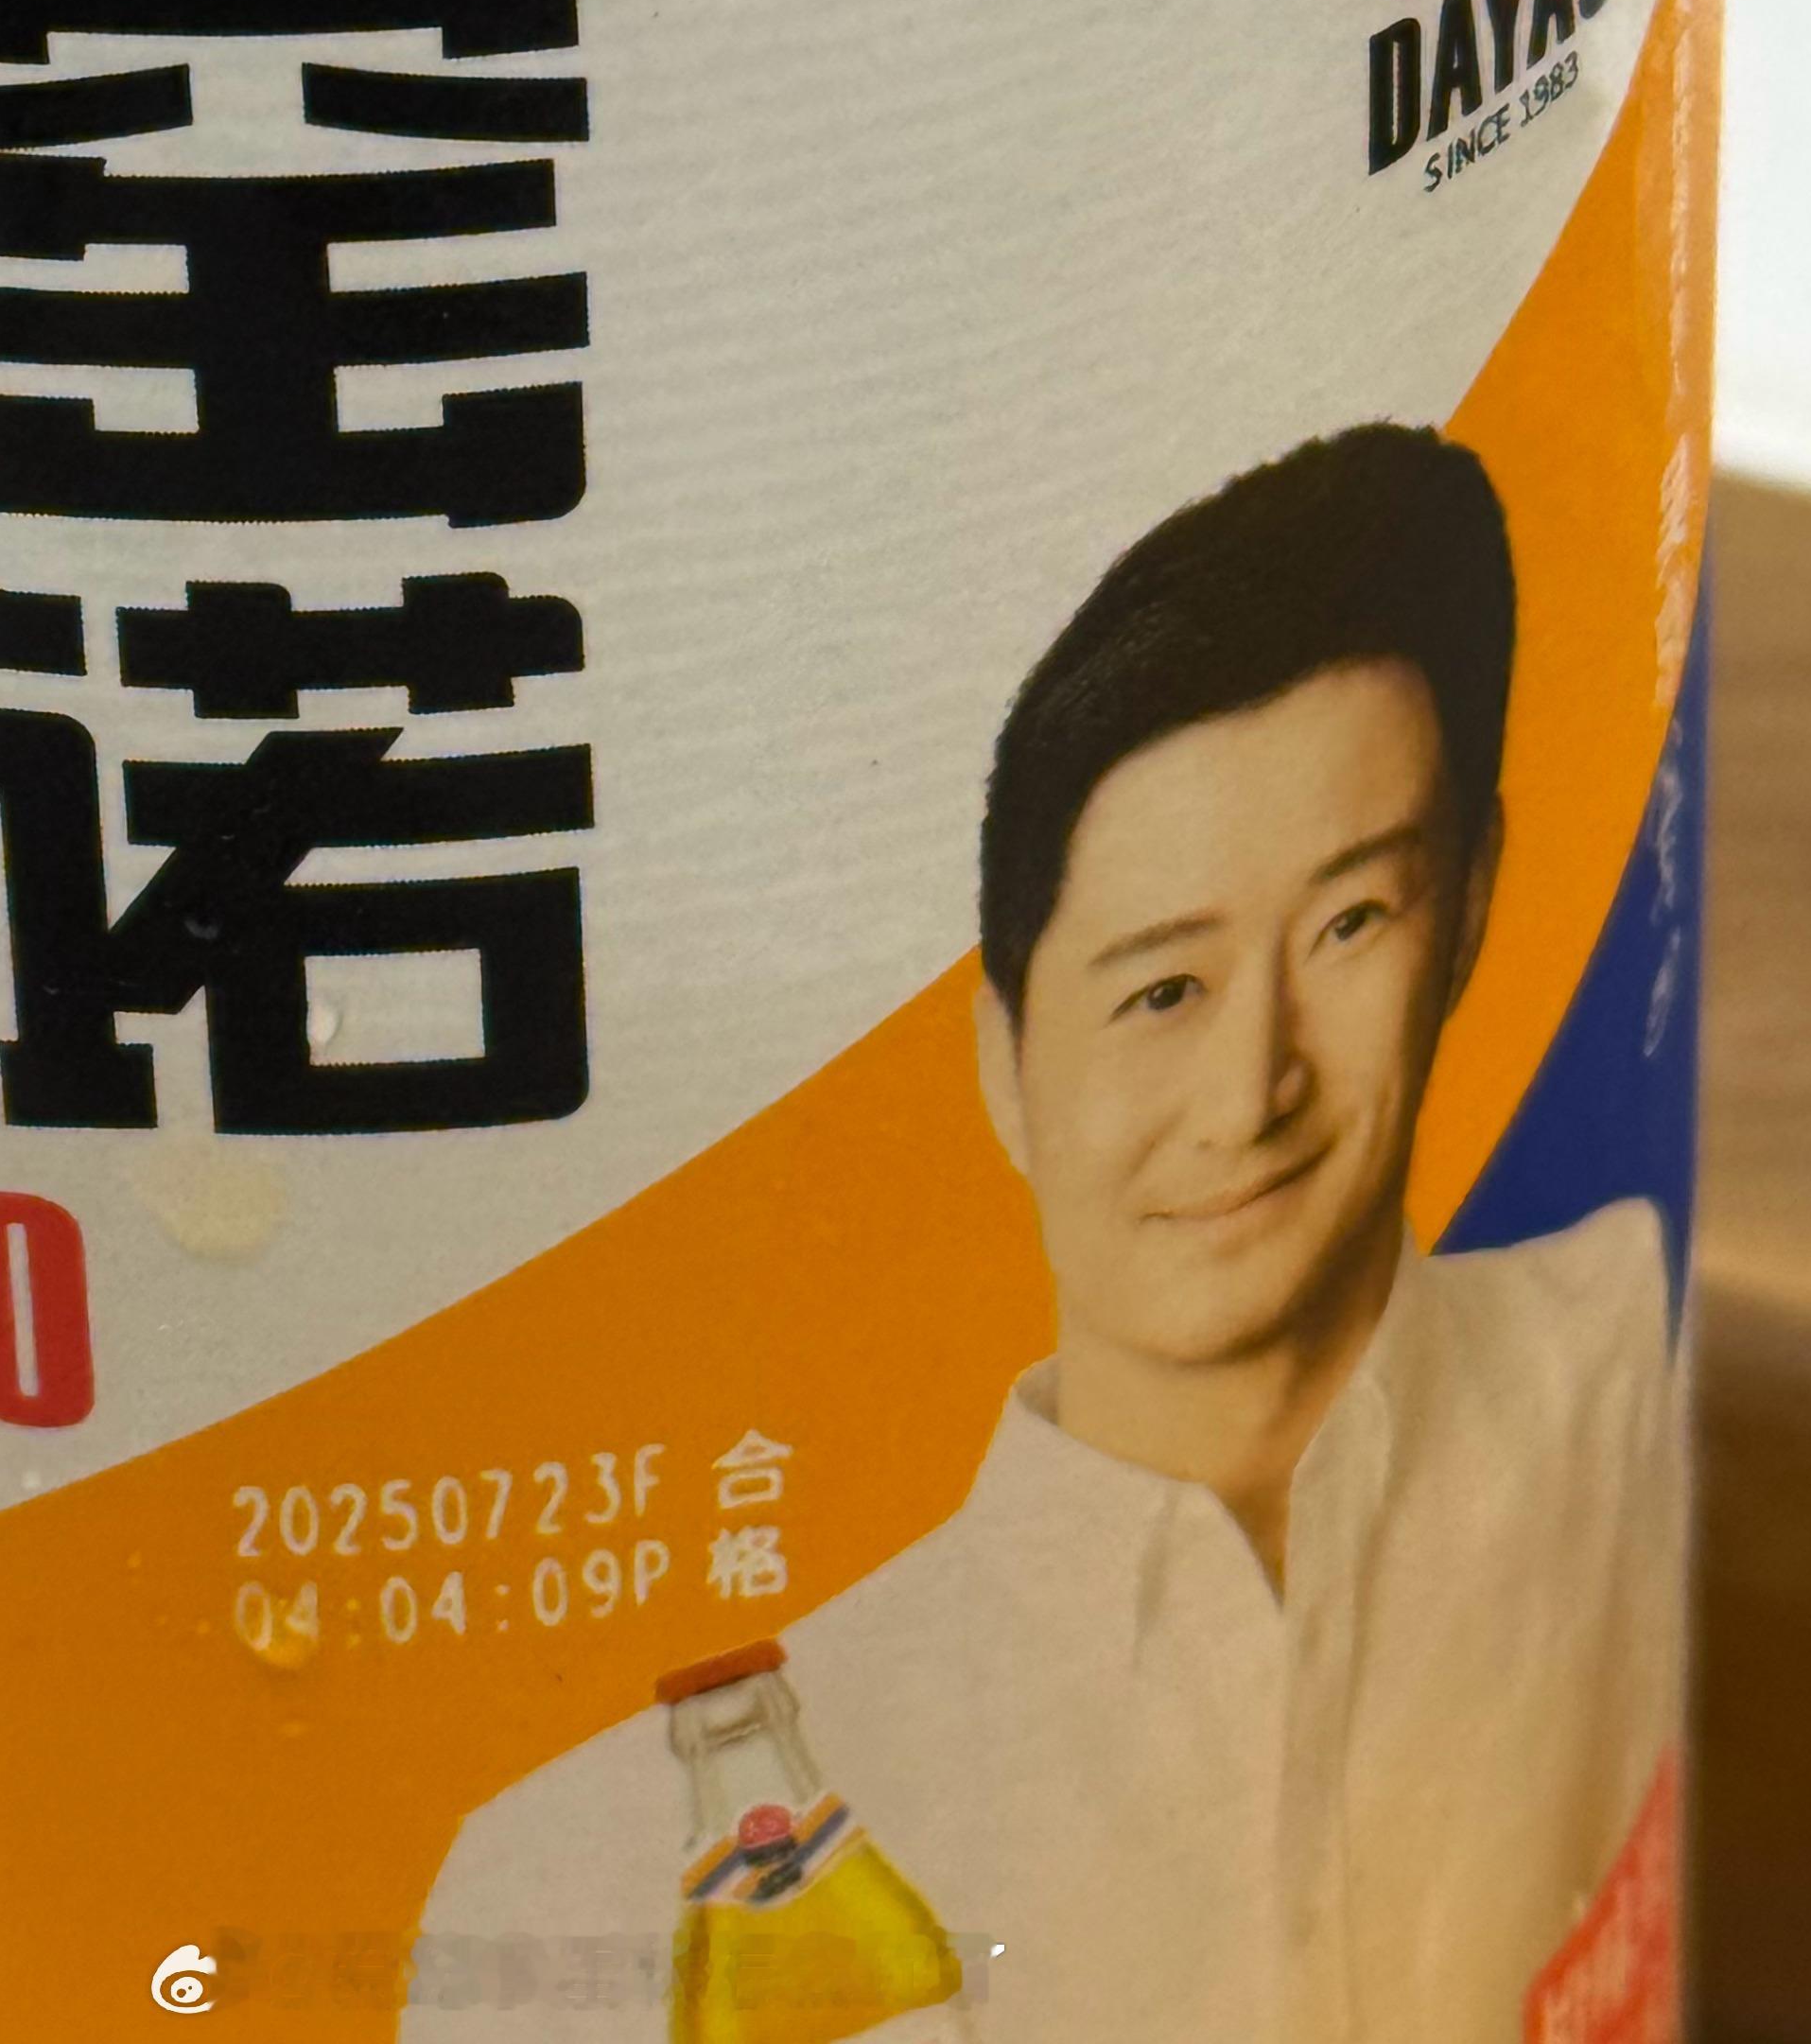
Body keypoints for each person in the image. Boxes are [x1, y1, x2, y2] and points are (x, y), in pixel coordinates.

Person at [407, 426, 1682, 2043]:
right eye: (1163, 989)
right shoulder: (596, 1867)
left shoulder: (1623, 1342)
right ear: (1005, 1064)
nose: (1254, 1090)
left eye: (1351, 922)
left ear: (1475, 901)